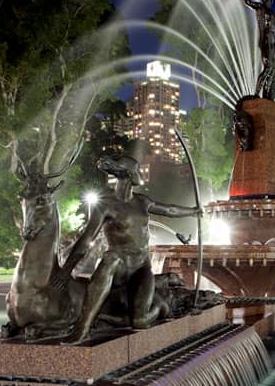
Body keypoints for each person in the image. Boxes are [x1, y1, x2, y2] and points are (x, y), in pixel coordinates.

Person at [58, 140, 200, 343]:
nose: (141, 173)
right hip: (117, 266)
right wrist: (66, 270)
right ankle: (83, 327)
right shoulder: (106, 206)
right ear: (127, 174)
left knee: (140, 322)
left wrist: (194, 212)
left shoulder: (142, 201)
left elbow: (169, 210)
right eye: (138, 170)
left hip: (141, 266)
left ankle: (158, 306)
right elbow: (85, 240)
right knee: (110, 259)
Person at [238, 0, 275, 100]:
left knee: (272, 70)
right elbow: (249, 3)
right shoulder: (260, 7)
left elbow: (274, 31)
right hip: (266, 41)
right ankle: (257, 93)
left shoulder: (273, 14)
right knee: (268, 68)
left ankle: (268, 96)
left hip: (273, 42)